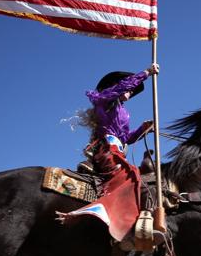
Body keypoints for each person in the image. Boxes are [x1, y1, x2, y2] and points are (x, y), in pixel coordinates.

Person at [59, 64, 159, 243]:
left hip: (118, 149)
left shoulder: (122, 111)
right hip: (106, 149)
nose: (131, 93)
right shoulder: (103, 99)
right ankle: (123, 224)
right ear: (117, 86)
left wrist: (143, 129)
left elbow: (126, 138)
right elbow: (123, 87)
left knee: (135, 176)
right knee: (130, 176)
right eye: (130, 89)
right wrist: (146, 73)